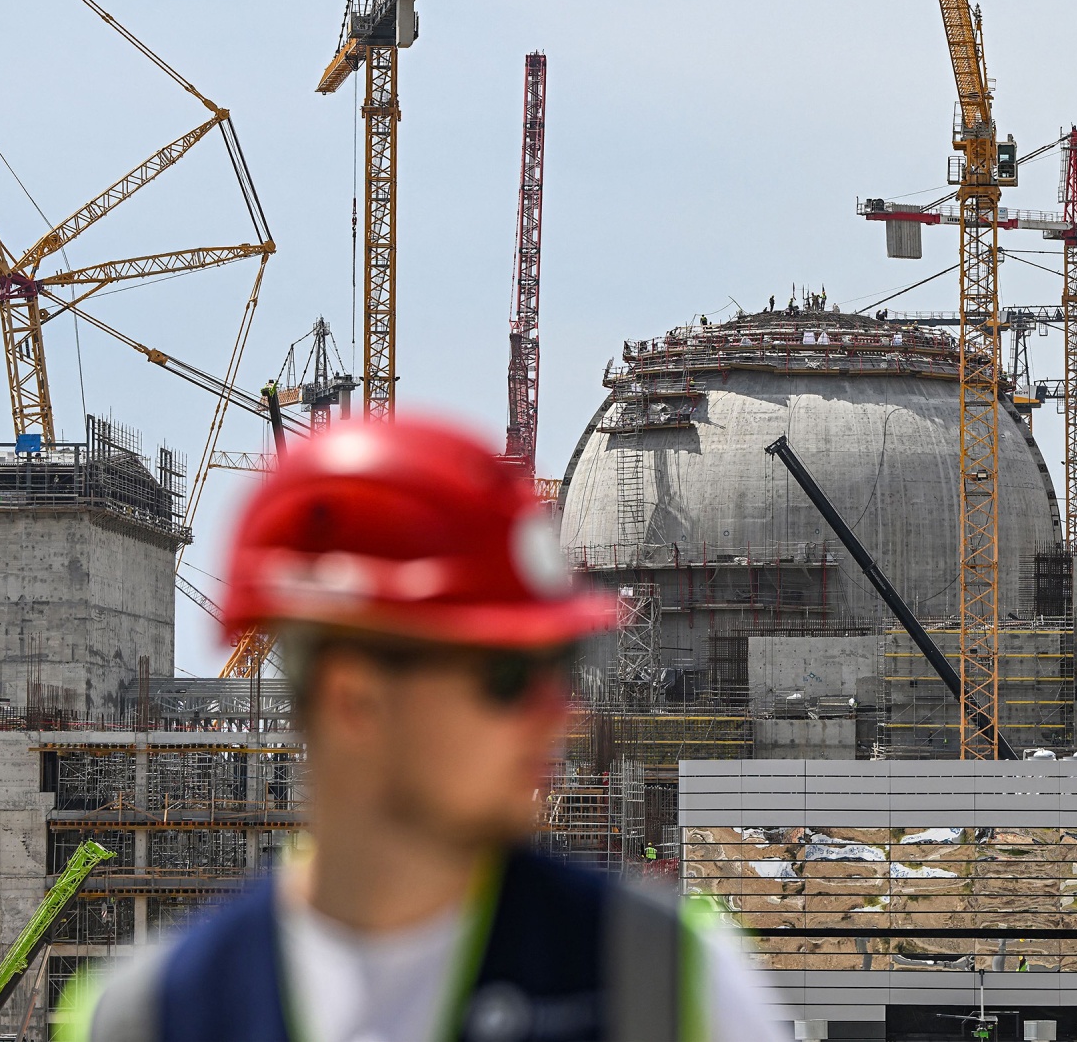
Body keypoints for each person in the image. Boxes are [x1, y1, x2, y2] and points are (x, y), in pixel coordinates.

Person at [61, 415, 788, 1042]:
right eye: (505, 675)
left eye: (557, 663)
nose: (556, 711)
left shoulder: (667, 986)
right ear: (355, 702)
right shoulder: (147, 1017)